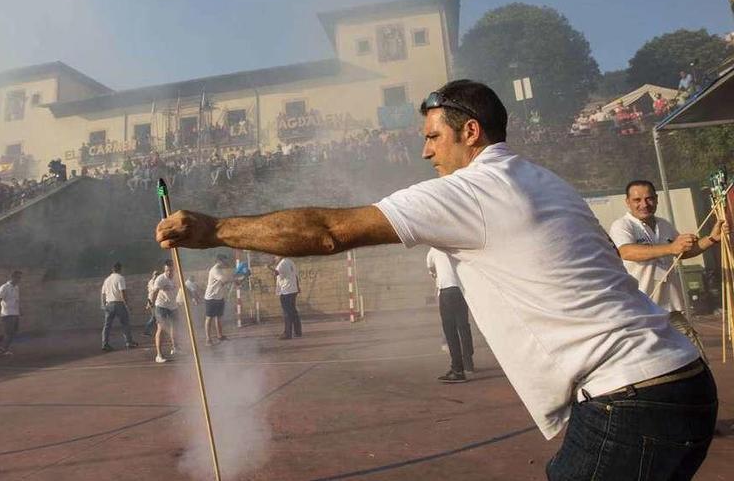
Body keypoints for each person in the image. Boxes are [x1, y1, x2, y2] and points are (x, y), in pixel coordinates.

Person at [156, 80, 717, 480]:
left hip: (634, 398)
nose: (425, 151)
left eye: (432, 136)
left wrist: (216, 229)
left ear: (469, 131)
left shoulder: (472, 190)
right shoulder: (543, 180)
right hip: (675, 380)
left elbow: (329, 231)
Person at [609, 180, 727, 360]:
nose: (644, 204)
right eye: (637, 200)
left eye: (649, 199)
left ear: (656, 199)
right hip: (641, 310)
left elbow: (684, 252)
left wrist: (711, 238)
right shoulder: (622, 225)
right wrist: (670, 248)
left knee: (696, 356)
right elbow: (626, 252)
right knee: (653, 361)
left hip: (671, 309)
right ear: (627, 202)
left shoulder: (664, 225)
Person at [426, 247, 474, 383]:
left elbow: (431, 268)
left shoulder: (434, 250)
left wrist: (435, 273)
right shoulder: (457, 247)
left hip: (446, 290)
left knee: (450, 331)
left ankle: (458, 370)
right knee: (464, 326)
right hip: (462, 290)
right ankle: (468, 362)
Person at [100, 262, 138, 352]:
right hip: (119, 304)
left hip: (109, 304)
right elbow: (122, 292)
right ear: (120, 269)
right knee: (125, 323)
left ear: (112, 270)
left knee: (107, 325)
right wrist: (127, 305)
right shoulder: (120, 278)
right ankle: (129, 342)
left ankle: (104, 344)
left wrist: (103, 304)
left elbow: (103, 293)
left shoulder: (107, 279)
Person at [149, 260, 182, 363]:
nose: (169, 272)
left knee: (175, 327)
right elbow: (153, 293)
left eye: (171, 270)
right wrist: (151, 305)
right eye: (167, 270)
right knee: (161, 328)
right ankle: (159, 355)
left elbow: (184, 287)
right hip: (161, 306)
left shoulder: (177, 277)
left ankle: (175, 348)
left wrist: (193, 298)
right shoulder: (160, 279)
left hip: (173, 305)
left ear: (174, 269)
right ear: (164, 270)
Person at [203, 254, 236, 345]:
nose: (226, 262)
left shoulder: (221, 269)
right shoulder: (215, 270)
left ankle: (220, 336)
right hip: (211, 297)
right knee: (209, 318)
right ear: (219, 261)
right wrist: (235, 278)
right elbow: (224, 280)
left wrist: (235, 278)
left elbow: (225, 281)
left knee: (219, 317)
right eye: (224, 260)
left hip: (219, 297)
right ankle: (208, 339)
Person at [268, 256, 301, 339]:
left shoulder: (282, 263)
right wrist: (298, 287)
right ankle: (298, 331)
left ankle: (287, 333)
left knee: (287, 313)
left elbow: (275, 273)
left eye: (276, 256)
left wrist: (269, 267)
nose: (275, 258)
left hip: (286, 291)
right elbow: (296, 276)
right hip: (293, 290)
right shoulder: (291, 261)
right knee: (293, 311)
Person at [0, 271, 22, 356]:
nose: (19, 280)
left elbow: (16, 300)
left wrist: (20, 310)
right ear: (13, 277)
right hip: (7, 313)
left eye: (20, 278)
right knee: (8, 332)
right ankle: (3, 349)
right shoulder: (4, 287)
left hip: (15, 313)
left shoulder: (16, 287)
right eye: (18, 277)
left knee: (13, 332)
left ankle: (5, 348)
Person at [143, 270, 160, 337]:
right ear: (153, 275)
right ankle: (146, 330)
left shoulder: (153, 281)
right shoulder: (152, 282)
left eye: (157, 274)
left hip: (153, 300)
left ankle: (147, 330)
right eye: (155, 274)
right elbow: (153, 291)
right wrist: (150, 303)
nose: (156, 276)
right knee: (154, 317)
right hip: (152, 301)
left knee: (155, 317)